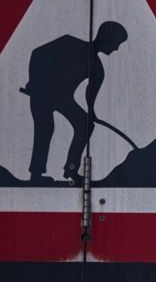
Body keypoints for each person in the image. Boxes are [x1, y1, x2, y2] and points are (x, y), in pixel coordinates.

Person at [24, 21, 128, 184]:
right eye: (116, 44)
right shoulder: (69, 43)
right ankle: (36, 174)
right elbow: (37, 53)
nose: (116, 48)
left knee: (85, 126)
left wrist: (91, 112)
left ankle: (71, 169)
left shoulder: (98, 69)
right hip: (42, 93)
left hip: (63, 98)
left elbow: (90, 93)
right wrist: (35, 80)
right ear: (107, 39)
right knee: (45, 128)